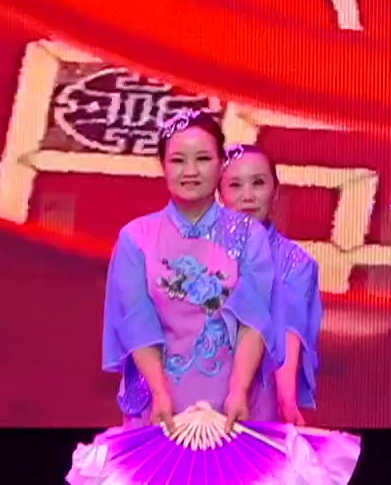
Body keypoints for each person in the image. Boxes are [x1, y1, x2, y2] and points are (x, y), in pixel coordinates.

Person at [100, 110, 299, 430]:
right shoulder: (137, 237)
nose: (190, 171)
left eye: (203, 159)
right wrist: (160, 393)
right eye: (178, 160)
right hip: (161, 405)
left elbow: (253, 320)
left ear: (221, 165)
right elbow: (137, 323)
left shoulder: (250, 234)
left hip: (237, 404)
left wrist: (238, 392)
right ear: (163, 166)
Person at [219, 143, 324, 426]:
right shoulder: (198, 252)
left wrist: (286, 398)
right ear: (219, 194)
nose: (248, 196)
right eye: (235, 185)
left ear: (275, 191)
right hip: (194, 390)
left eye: (258, 183)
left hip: (258, 396)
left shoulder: (295, 262)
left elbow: (289, 328)